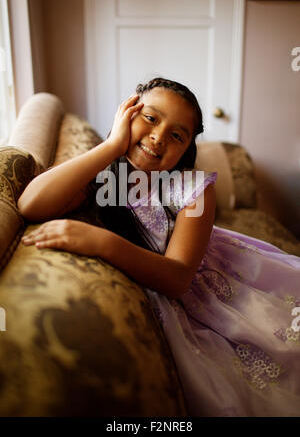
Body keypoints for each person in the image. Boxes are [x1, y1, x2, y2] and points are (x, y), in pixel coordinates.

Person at [18, 77, 300, 417]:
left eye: (177, 135)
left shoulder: (194, 188)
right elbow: (30, 205)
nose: (158, 136)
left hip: (216, 288)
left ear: (186, 149)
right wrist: (111, 145)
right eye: (150, 118)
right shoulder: (103, 176)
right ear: (128, 113)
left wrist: (103, 241)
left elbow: (179, 277)